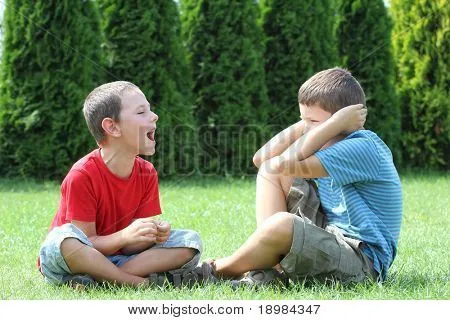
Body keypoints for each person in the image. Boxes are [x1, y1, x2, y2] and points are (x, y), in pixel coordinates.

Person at [210, 67, 403, 286]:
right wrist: (312, 122)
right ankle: (271, 271)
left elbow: (284, 162)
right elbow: (262, 160)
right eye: (303, 120)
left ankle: (215, 270)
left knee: (282, 223)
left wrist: (332, 124)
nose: (306, 129)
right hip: (332, 238)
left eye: (314, 122)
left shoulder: (362, 146)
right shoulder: (327, 139)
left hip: (363, 263)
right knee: (269, 173)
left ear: (342, 121)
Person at [38, 81, 213, 288]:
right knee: (63, 240)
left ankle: (100, 279)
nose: (155, 116)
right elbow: (85, 242)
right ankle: (136, 283)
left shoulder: (147, 173)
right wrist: (123, 236)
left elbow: (133, 248)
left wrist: (151, 234)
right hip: (73, 259)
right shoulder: (82, 175)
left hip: (122, 259)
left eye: (150, 110)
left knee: (190, 242)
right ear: (112, 127)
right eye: (141, 112)